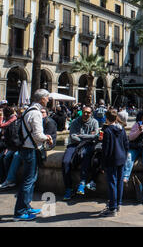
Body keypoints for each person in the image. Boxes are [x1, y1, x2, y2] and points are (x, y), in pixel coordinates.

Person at [14, 89, 53, 221]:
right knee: (28, 181)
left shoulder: (28, 110)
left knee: (31, 179)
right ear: (42, 99)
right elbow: (37, 135)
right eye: (47, 97)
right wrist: (47, 137)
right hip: (31, 149)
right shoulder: (36, 113)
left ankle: (26, 206)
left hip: (26, 148)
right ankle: (20, 212)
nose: (48, 100)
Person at [62, 106, 99, 200]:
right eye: (84, 112)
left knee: (86, 156)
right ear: (81, 112)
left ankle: (82, 182)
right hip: (74, 144)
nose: (86, 114)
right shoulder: (75, 122)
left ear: (91, 113)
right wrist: (88, 136)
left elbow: (95, 136)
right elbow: (73, 136)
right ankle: (68, 188)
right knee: (65, 162)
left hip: (87, 145)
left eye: (88, 112)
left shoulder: (94, 122)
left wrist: (82, 136)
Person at [98, 109, 129, 217]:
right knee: (119, 182)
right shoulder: (122, 129)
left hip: (111, 160)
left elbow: (105, 150)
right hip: (121, 159)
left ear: (106, 118)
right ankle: (118, 204)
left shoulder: (107, 131)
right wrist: (124, 156)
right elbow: (126, 144)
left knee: (112, 183)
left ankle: (112, 208)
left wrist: (103, 164)